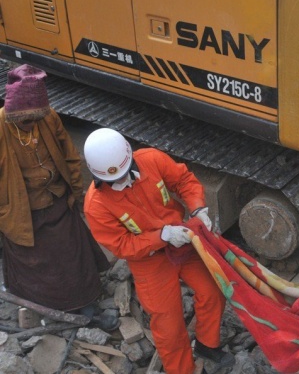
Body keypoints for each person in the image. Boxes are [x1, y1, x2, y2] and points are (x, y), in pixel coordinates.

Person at [83, 128, 234, 374]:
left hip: (183, 242)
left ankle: (208, 345)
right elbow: (122, 245)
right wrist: (161, 237)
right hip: (148, 261)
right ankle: (183, 370)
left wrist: (198, 209)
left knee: (213, 289)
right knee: (169, 325)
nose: (121, 183)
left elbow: (183, 181)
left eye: (124, 175)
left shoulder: (152, 159)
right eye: (113, 182)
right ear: (99, 176)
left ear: (130, 158)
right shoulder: (96, 205)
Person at [0, 64, 117, 330]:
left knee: (72, 256)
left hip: (57, 201)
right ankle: (44, 306)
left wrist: (76, 192)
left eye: (34, 121)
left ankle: (85, 304)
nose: (30, 126)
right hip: (22, 211)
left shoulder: (49, 117)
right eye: (24, 121)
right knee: (34, 264)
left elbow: (70, 156)